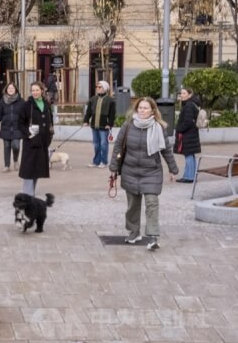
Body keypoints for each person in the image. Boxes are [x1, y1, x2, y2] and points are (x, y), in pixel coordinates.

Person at [110, 97, 178, 250]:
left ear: (152, 111)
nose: (142, 111)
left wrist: (173, 169)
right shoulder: (128, 126)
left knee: (152, 202)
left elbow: (166, 150)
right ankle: (134, 232)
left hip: (151, 172)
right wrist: (114, 167)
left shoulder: (159, 128)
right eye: (140, 108)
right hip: (130, 170)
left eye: (145, 108)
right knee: (133, 205)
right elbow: (118, 147)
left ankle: (153, 236)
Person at [17, 81, 54, 195]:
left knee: (37, 169)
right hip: (31, 142)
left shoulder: (47, 104)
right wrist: (29, 134)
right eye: (33, 90)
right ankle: (28, 194)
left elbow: (50, 120)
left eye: (37, 90)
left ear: (42, 91)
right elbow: (20, 123)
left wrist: (50, 133)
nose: (35, 92)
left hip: (43, 142)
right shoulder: (27, 105)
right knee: (28, 170)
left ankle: (31, 192)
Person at [82, 80, 116, 168]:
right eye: (97, 87)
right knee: (96, 145)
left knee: (104, 144)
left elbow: (112, 114)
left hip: (104, 127)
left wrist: (110, 124)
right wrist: (86, 121)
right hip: (94, 126)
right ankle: (96, 161)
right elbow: (88, 111)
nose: (97, 88)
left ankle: (104, 162)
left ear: (105, 88)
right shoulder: (93, 99)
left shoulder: (110, 100)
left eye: (99, 87)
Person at [0, 82, 25, 172]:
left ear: (16, 90)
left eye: (12, 88)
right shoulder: (3, 101)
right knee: (6, 146)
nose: (10, 90)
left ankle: (15, 161)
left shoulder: (21, 101)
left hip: (17, 127)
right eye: (9, 88)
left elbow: (25, 114)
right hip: (6, 127)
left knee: (16, 146)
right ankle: (7, 165)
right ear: (6, 90)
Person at [174, 87, 202, 183]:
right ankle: (191, 176)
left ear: (190, 95)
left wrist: (179, 129)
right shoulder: (193, 104)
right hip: (192, 133)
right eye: (181, 93)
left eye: (184, 93)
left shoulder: (188, 105)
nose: (181, 95)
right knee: (190, 155)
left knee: (188, 155)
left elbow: (188, 121)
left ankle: (189, 177)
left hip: (188, 134)